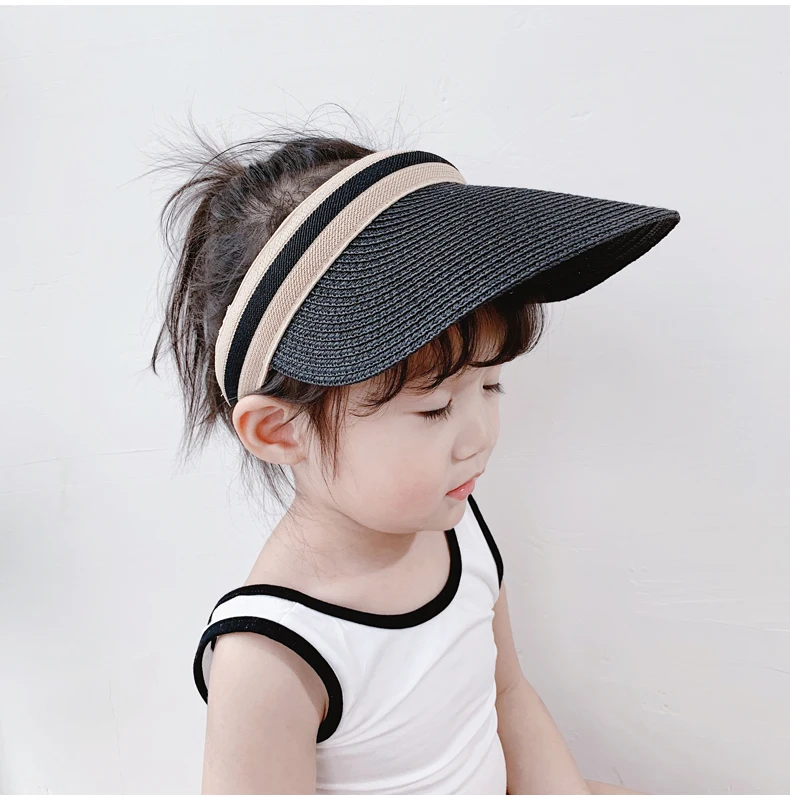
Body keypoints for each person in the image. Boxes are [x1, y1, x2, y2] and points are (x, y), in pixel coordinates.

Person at [149, 122, 680, 794]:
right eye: (434, 409)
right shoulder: (273, 657)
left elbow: (508, 697)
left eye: (492, 385)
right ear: (280, 431)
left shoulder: (454, 522)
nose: (479, 435)